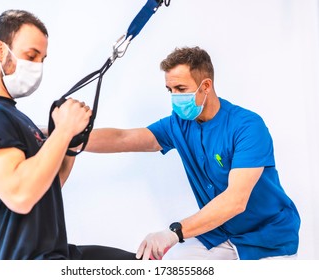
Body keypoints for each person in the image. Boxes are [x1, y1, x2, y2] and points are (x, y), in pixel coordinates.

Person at [85, 46, 301, 260]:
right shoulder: (180, 124)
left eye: (180, 88)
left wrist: (175, 232)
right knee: (170, 265)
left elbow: (236, 200)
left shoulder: (247, 126)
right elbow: (123, 138)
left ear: (206, 86)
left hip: (269, 240)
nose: (174, 97)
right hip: (219, 233)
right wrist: (66, 137)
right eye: (170, 90)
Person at [0, 9, 136, 260]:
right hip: (25, 262)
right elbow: (20, 195)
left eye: (41, 60)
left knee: (145, 263)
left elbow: (50, 185)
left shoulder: (14, 116)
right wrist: (63, 131)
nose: (36, 67)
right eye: (30, 56)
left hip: (55, 253)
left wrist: (72, 140)